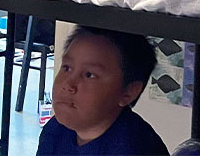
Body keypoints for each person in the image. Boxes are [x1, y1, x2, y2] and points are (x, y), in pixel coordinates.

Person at [36, 25, 168, 155]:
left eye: (89, 75)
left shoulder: (134, 148)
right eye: (67, 68)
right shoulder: (55, 130)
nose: (68, 84)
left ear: (128, 92)